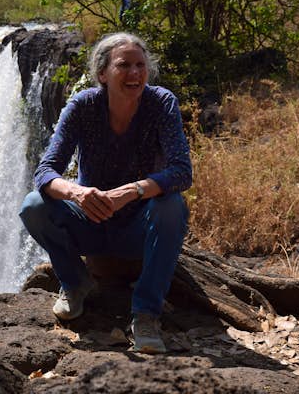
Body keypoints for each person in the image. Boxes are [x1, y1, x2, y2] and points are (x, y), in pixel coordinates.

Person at [19, 32, 192, 354]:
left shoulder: (161, 103)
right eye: (124, 65)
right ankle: (75, 282)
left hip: (140, 228)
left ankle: (146, 313)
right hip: (91, 222)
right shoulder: (83, 105)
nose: (135, 73)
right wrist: (77, 193)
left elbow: (182, 172)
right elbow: (45, 172)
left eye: (141, 65)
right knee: (34, 206)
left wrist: (134, 190)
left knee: (171, 205)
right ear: (102, 73)